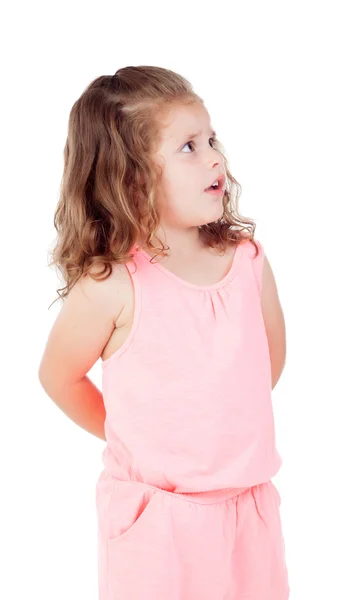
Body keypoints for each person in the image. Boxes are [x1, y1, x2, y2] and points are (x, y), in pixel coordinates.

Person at [38, 65, 290, 600]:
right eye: (188, 147)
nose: (215, 157)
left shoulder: (247, 262)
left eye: (212, 139)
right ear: (130, 177)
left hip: (249, 512)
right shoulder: (113, 284)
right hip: (158, 525)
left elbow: (268, 360)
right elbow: (60, 377)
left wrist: (218, 432)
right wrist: (138, 436)